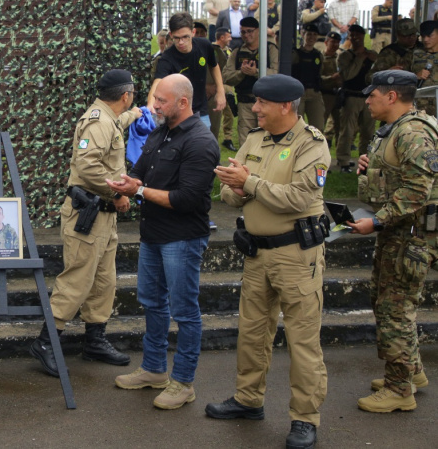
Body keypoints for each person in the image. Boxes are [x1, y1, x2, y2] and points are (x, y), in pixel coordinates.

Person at [209, 74, 329, 449]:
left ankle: (305, 419)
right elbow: (228, 192)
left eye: (261, 103)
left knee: (302, 339)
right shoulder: (254, 139)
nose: (254, 108)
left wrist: (250, 183)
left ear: (285, 107)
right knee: (252, 331)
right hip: (257, 253)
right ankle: (248, 399)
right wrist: (241, 186)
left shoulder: (313, 146)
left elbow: (296, 198)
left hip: (296, 255)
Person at [108, 75, 218, 410]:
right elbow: (140, 172)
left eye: (161, 101)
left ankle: (183, 382)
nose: (154, 106)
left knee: (185, 311)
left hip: (182, 239)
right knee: (153, 302)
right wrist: (126, 182)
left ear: (183, 102)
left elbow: (186, 199)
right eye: (155, 100)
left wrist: (137, 191)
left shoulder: (201, 141)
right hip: (153, 235)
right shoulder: (160, 132)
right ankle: (154, 369)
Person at [29, 69, 141, 376]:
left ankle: (95, 340)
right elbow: (87, 164)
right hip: (89, 213)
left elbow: (119, 124)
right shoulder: (98, 121)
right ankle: (46, 342)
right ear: (125, 95)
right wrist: (116, 191)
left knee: (104, 281)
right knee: (77, 279)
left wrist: (137, 113)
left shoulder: (109, 117)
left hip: (104, 216)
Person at [348, 70, 438, 413]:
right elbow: (399, 175)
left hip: (410, 235)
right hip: (398, 233)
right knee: (386, 301)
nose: (367, 99)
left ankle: (400, 389)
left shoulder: (413, 132)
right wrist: (372, 168)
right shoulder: (397, 130)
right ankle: (411, 371)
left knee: (394, 309)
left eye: (373, 94)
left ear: (392, 97)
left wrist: (377, 221)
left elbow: (418, 190)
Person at [151, 12, 226, 130]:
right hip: (176, 113)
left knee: (202, 144)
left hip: (201, 111)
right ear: (171, 35)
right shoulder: (166, 58)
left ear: (193, 32)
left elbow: (214, 66)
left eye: (185, 37)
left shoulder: (204, 45)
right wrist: (151, 104)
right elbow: (157, 82)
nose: (181, 42)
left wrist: (220, 91)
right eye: (176, 38)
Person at [223, 16, 280, 146]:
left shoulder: (270, 49)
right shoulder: (237, 52)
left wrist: (257, 73)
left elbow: (278, 74)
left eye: (250, 31)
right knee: (246, 142)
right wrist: (241, 73)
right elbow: (226, 76)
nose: (246, 35)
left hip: (268, 103)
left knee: (269, 141)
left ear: (258, 31)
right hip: (245, 103)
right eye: (243, 32)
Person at [336, 24, 378, 172]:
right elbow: (347, 75)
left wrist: (373, 59)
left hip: (368, 96)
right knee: (347, 131)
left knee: (368, 131)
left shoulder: (372, 55)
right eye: (352, 36)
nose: (355, 39)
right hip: (351, 96)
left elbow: (378, 73)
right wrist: (359, 59)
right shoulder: (345, 56)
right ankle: (343, 161)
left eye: (358, 36)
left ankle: (365, 160)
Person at [292, 24, 326, 131]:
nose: (311, 37)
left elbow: (320, 73)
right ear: (303, 34)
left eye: (314, 35)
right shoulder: (296, 54)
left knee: (318, 127)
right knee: (297, 126)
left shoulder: (318, 55)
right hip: (299, 93)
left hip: (314, 92)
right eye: (309, 34)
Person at [210, 27, 236, 151]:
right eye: (228, 36)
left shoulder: (229, 51)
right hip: (215, 86)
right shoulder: (211, 50)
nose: (230, 38)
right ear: (221, 38)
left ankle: (228, 138)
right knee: (215, 115)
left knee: (229, 114)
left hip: (227, 86)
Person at [320, 31, 344, 147]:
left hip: (338, 95)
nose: (335, 45)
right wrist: (331, 78)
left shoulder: (340, 57)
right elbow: (318, 77)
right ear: (326, 42)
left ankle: (340, 154)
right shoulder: (321, 57)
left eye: (337, 43)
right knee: (321, 122)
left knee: (341, 125)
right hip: (326, 94)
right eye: (332, 42)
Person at [412, 20, 438, 117]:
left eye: (430, 36)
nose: (426, 39)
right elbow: (402, 77)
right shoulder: (414, 55)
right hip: (421, 108)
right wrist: (415, 76)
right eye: (423, 36)